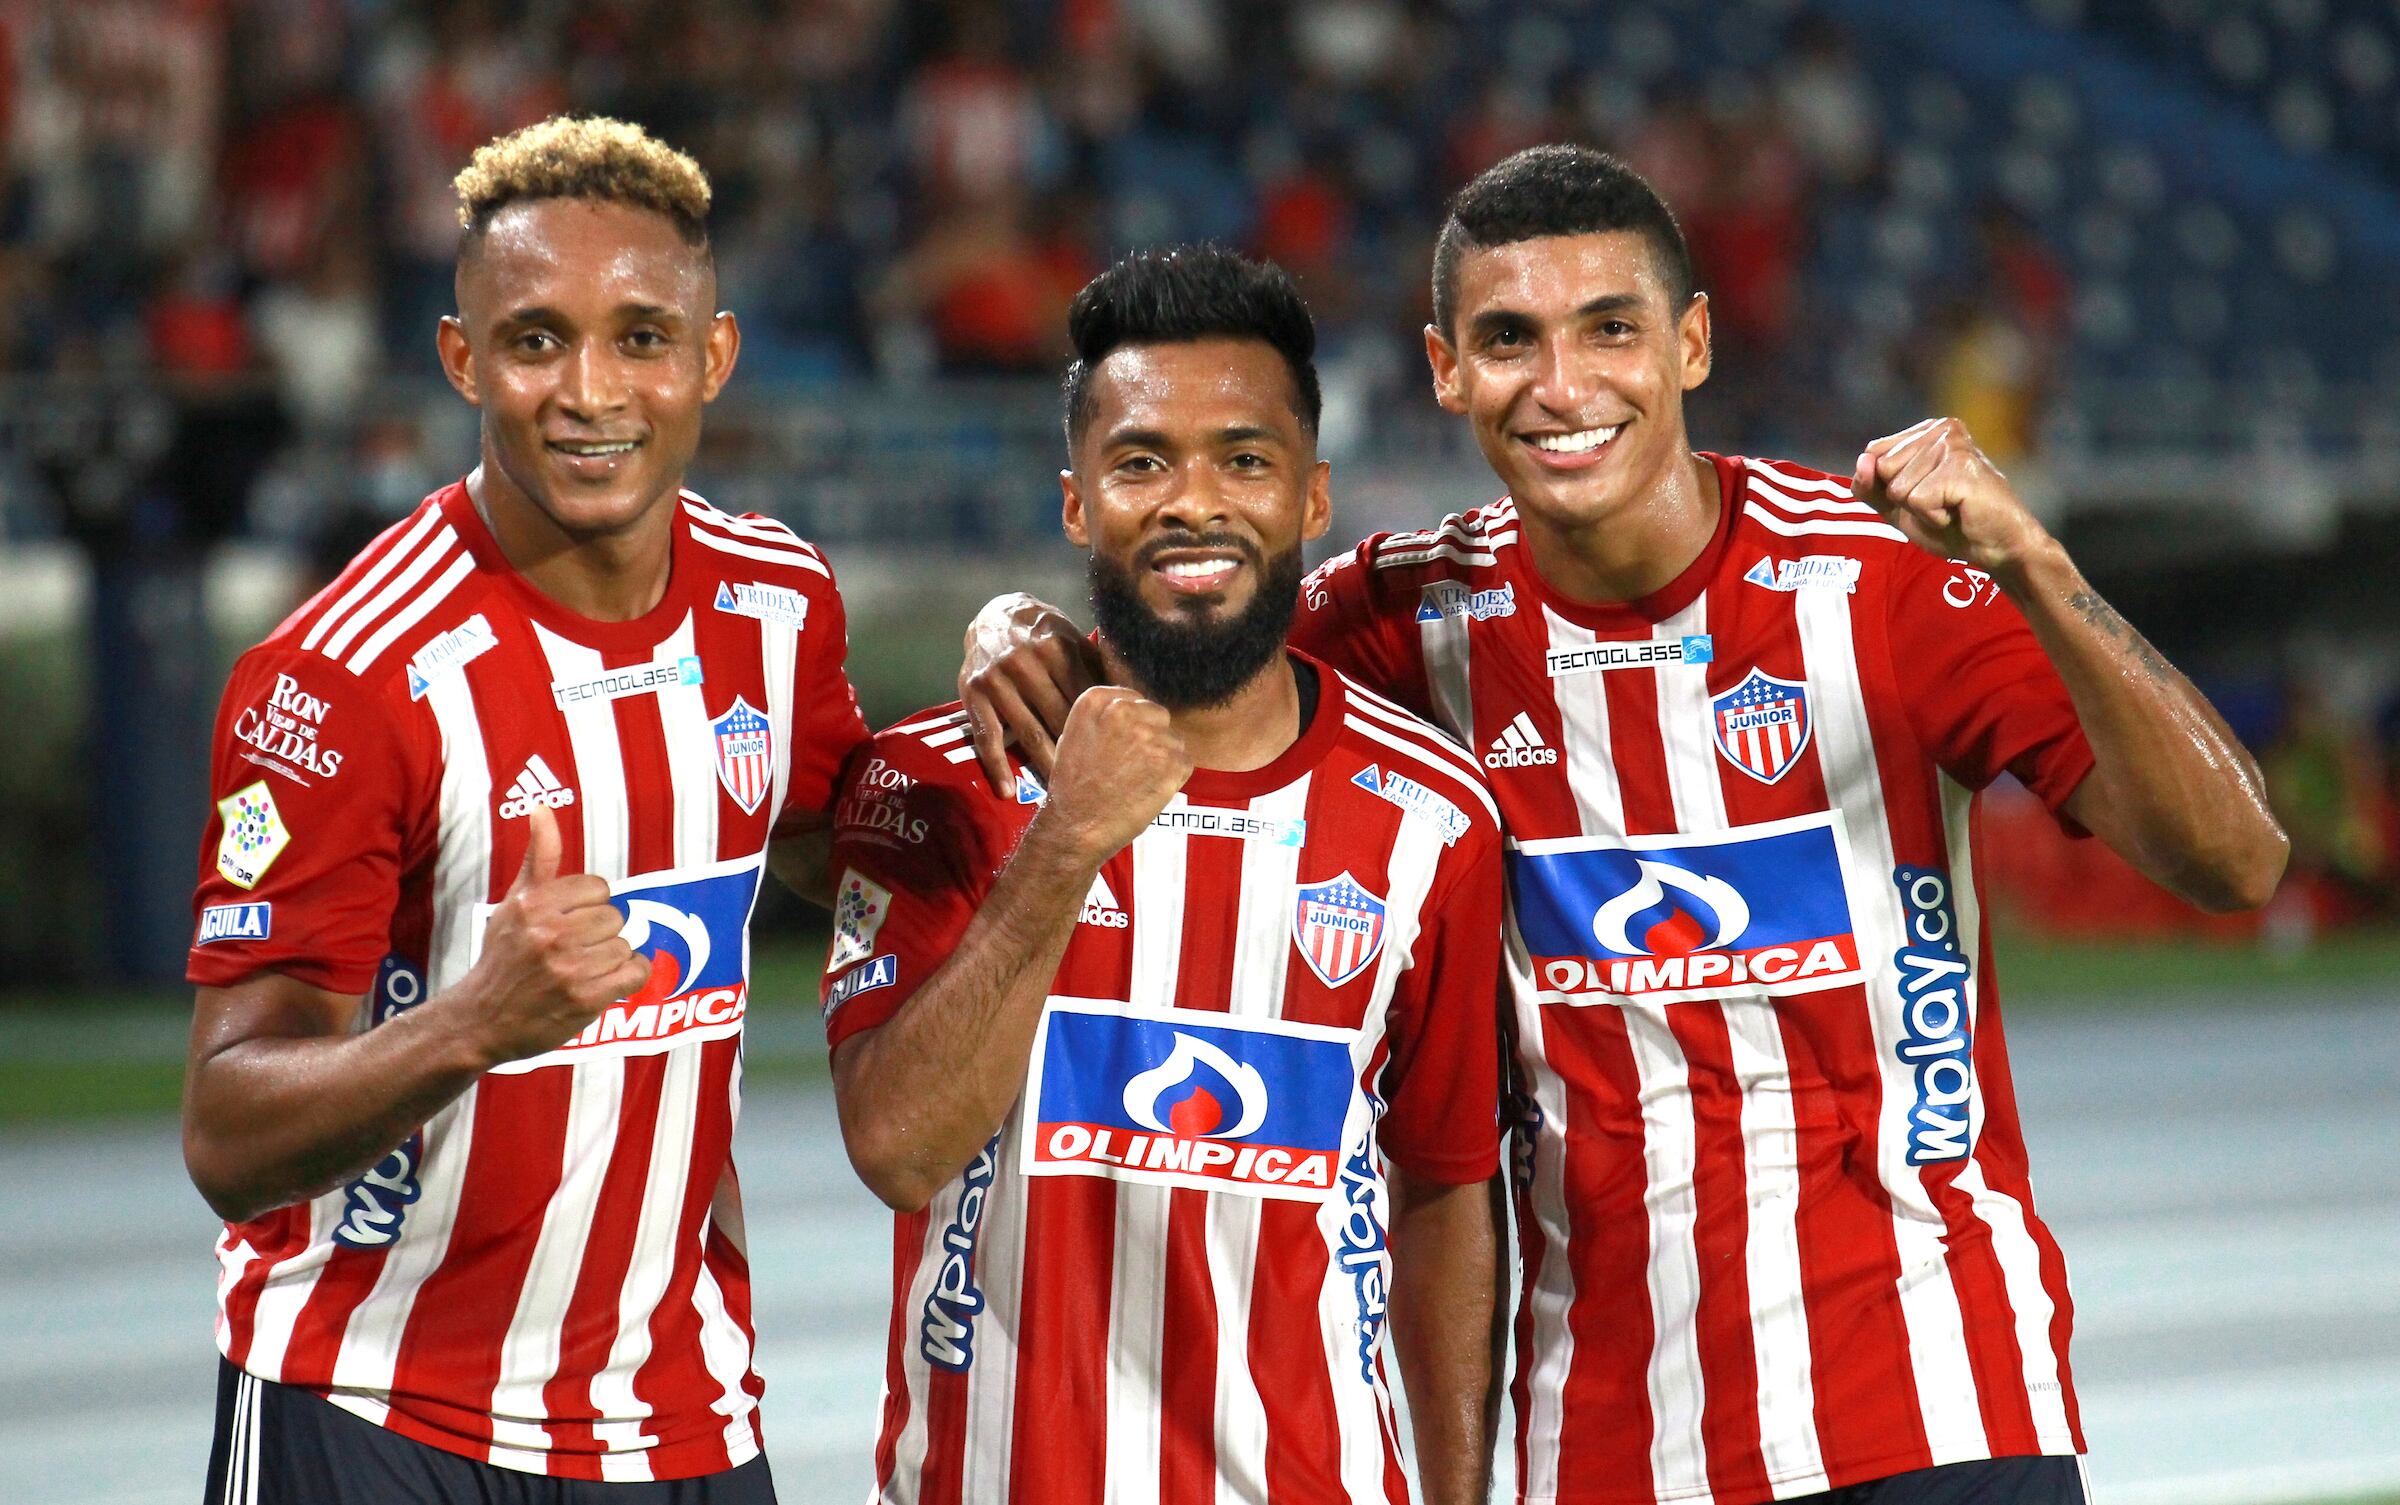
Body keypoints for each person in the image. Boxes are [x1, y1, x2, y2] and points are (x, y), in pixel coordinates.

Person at [958, 147, 2289, 1505]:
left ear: (1692, 342)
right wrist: (1010, 625)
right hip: (1595, 1438)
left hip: (1935, 1399)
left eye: (1610, 328)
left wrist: (2040, 566)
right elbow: (1178, 640)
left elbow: (2237, 860)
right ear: (1445, 369)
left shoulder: (1872, 586)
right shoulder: (1410, 615)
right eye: (1508, 340)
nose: (1562, 385)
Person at [182, 116, 868, 1501]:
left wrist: (1006, 649)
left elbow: (828, 826)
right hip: (374, 1409)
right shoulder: (340, 676)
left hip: (682, 1420)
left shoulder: (775, 606)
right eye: (536, 339)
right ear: (462, 360)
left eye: (639, 338)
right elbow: (227, 1134)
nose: (588, 391)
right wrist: (472, 1023)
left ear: (713, 357)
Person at [822, 246, 1509, 1505]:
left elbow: (1448, 1184)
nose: (1194, 502)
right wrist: (1064, 839)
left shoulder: (1438, 817)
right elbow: (899, 1150)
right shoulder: (937, 779)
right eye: (1142, 463)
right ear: (1078, 503)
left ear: (1312, 498)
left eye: (1244, 461)